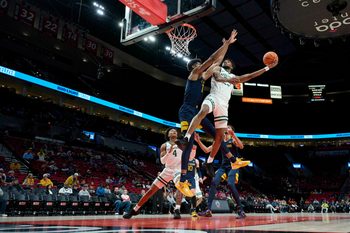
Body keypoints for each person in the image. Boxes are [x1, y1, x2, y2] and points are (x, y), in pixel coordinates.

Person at [175, 29, 250, 197]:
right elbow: (211, 60)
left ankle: (233, 160)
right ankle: (182, 180)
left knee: (217, 134)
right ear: (194, 67)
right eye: (198, 64)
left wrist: (227, 45)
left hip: (195, 111)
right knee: (188, 145)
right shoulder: (194, 74)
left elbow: (217, 61)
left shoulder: (202, 77)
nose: (200, 65)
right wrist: (224, 44)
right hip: (187, 112)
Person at [179, 55, 278, 175]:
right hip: (213, 97)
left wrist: (266, 68)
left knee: (219, 136)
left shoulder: (234, 77)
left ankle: (209, 162)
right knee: (203, 110)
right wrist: (227, 80)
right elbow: (218, 77)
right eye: (225, 60)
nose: (226, 61)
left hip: (224, 104)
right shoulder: (218, 68)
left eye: (229, 61)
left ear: (232, 66)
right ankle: (187, 137)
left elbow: (250, 76)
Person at [123, 128, 183, 219]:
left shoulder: (182, 144)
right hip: (167, 170)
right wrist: (169, 152)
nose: (173, 131)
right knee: (151, 190)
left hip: (178, 169)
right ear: (168, 135)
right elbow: (162, 161)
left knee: (180, 187)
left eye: (175, 131)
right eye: (171, 131)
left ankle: (177, 210)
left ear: (177, 134)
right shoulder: (164, 145)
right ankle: (135, 209)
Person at [195, 125, 247, 219]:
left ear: (231, 130)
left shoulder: (233, 140)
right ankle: (208, 210)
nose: (226, 128)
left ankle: (241, 210)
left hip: (233, 165)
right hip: (223, 166)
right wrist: (198, 141)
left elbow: (241, 146)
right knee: (214, 182)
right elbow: (207, 150)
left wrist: (234, 135)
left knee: (230, 184)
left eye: (228, 127)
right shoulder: (220, 141)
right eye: (225, 127)